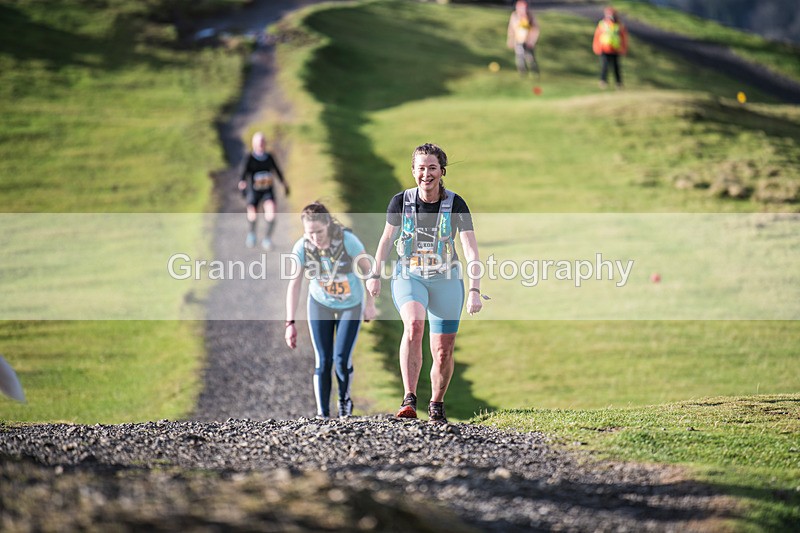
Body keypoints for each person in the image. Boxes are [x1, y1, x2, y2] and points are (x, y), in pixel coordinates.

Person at [366, 143, 483, 424]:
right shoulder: (400, 201)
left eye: (432, 168)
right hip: (410, 276)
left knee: (443, 351)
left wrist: (475, 290)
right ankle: (409, 398)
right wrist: (375, 274)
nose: (426, 174)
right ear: (413, 170)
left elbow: (470, 250)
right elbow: (386, 240)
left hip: (446, 279)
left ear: (442, 172)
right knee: (414, 324)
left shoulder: (456, 204)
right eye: (421, 168)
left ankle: (436, 404)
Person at [285, 202, 377, 419]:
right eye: (310, 233)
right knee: (323, 360)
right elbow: (294, 284)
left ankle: (345, 403)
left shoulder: (347, 241)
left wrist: (371, 305)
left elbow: (368, 270)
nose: (315, 237)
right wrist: (290, 323)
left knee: (342, 358)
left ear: (327, 224)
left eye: (319, 232)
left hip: (350, 305)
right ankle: (322, 414)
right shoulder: (302, 248)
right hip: (320, 303)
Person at [238, 131, 290, 250]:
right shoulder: (249, 158)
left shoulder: (269, 157)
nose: (261, 144)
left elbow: (277, 171)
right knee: (253, 215)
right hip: (254, 191)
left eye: (262, 142)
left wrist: (284, 184)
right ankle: (252, 234)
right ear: (254, 144)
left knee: (271, 214)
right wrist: (242, 185)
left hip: (267, 191)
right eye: (259, 142)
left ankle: (267, 239)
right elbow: (243, 174)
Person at [592, 6, 629, 89]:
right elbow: (597, 36)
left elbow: (624, 38)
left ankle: (618, 83)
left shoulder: (619, 25)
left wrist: (624, 48)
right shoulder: (602, 24)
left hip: (615, 49)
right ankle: (603, 81)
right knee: (605, 66)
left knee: (616, 67)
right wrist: (596, 47)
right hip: (604, 49)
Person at [507, 0, 540, 77]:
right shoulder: (514, 16)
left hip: (528, 41)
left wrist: (532, 41)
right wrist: (511, 39)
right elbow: (511, 29)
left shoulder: (530, 17)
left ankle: (534, 72)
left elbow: (535, 30)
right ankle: (522, 73)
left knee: (530, 57)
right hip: (518, 40)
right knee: (520, 57)